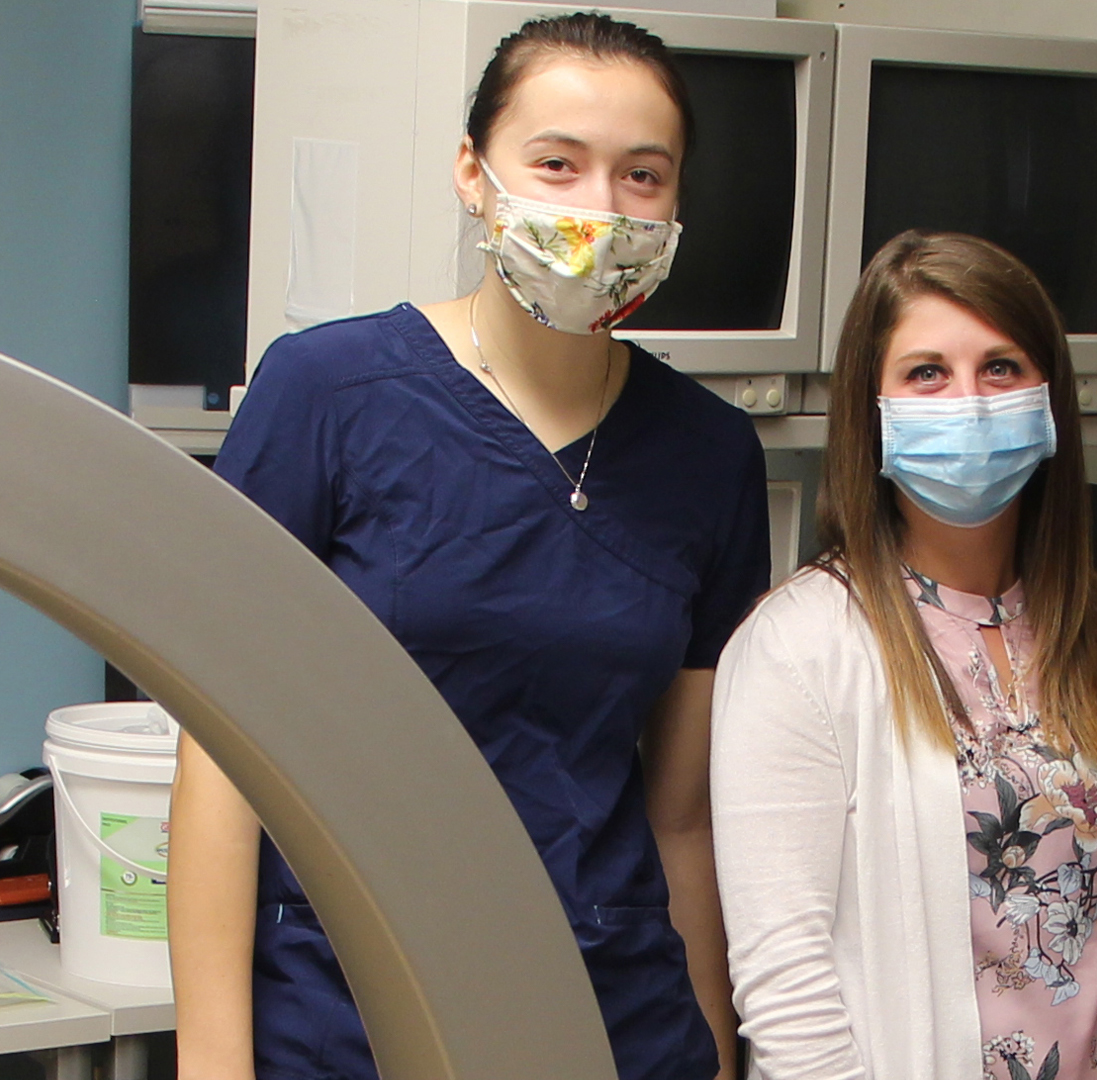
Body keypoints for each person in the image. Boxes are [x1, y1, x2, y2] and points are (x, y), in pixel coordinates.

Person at [168, 14, 766, 1080]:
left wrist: (714, 1049)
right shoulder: (327, 394)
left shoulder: (709, 453)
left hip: (615, 1025)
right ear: (472, 174)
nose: (599, 208)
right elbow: (222, 761)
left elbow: (680, 818)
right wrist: (214, 1062)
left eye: (642, 175)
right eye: (557, 163)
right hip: (357, 1018)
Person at [709, 231, 1097, 1080]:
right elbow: (785, 979)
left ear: (1048, 399)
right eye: (927, 372)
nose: (968, 402)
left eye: (1000, 368)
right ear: (872, 407)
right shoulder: (799, 646)